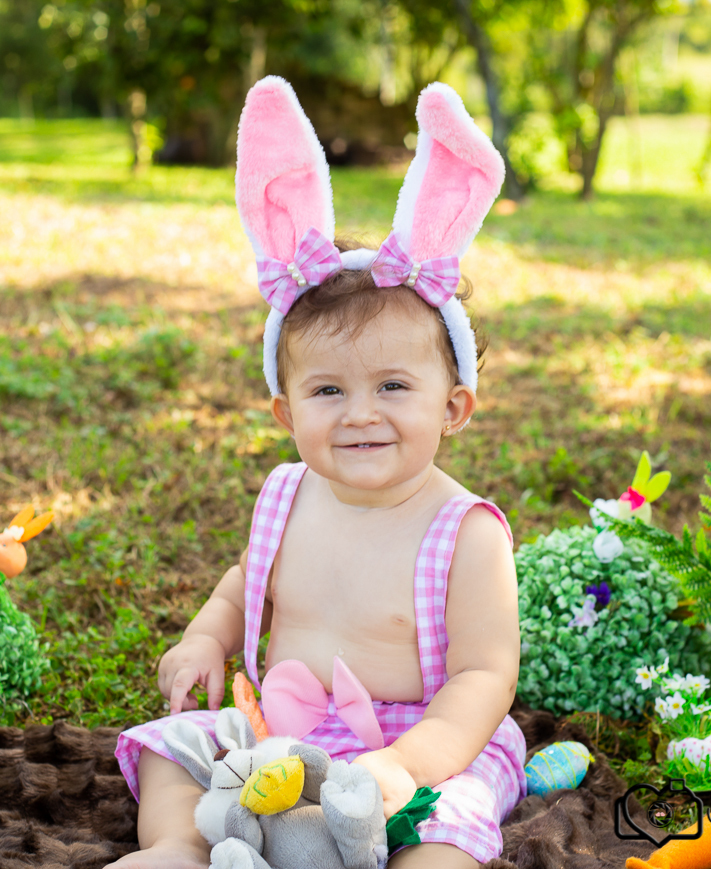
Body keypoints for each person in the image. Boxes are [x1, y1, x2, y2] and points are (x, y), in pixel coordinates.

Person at [108, 76, 526, 869]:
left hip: (421, 743)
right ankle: (182, 846)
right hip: (283, 735)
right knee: (170, 749)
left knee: (454, 825)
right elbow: (249, 582)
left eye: (393, 387)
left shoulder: (466, 531)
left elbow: (484, 675)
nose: (359, 413)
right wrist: (207, 635)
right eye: (328, 390)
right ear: (284, 412)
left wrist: (406, 765)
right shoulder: (287, 494)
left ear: (455, 406)